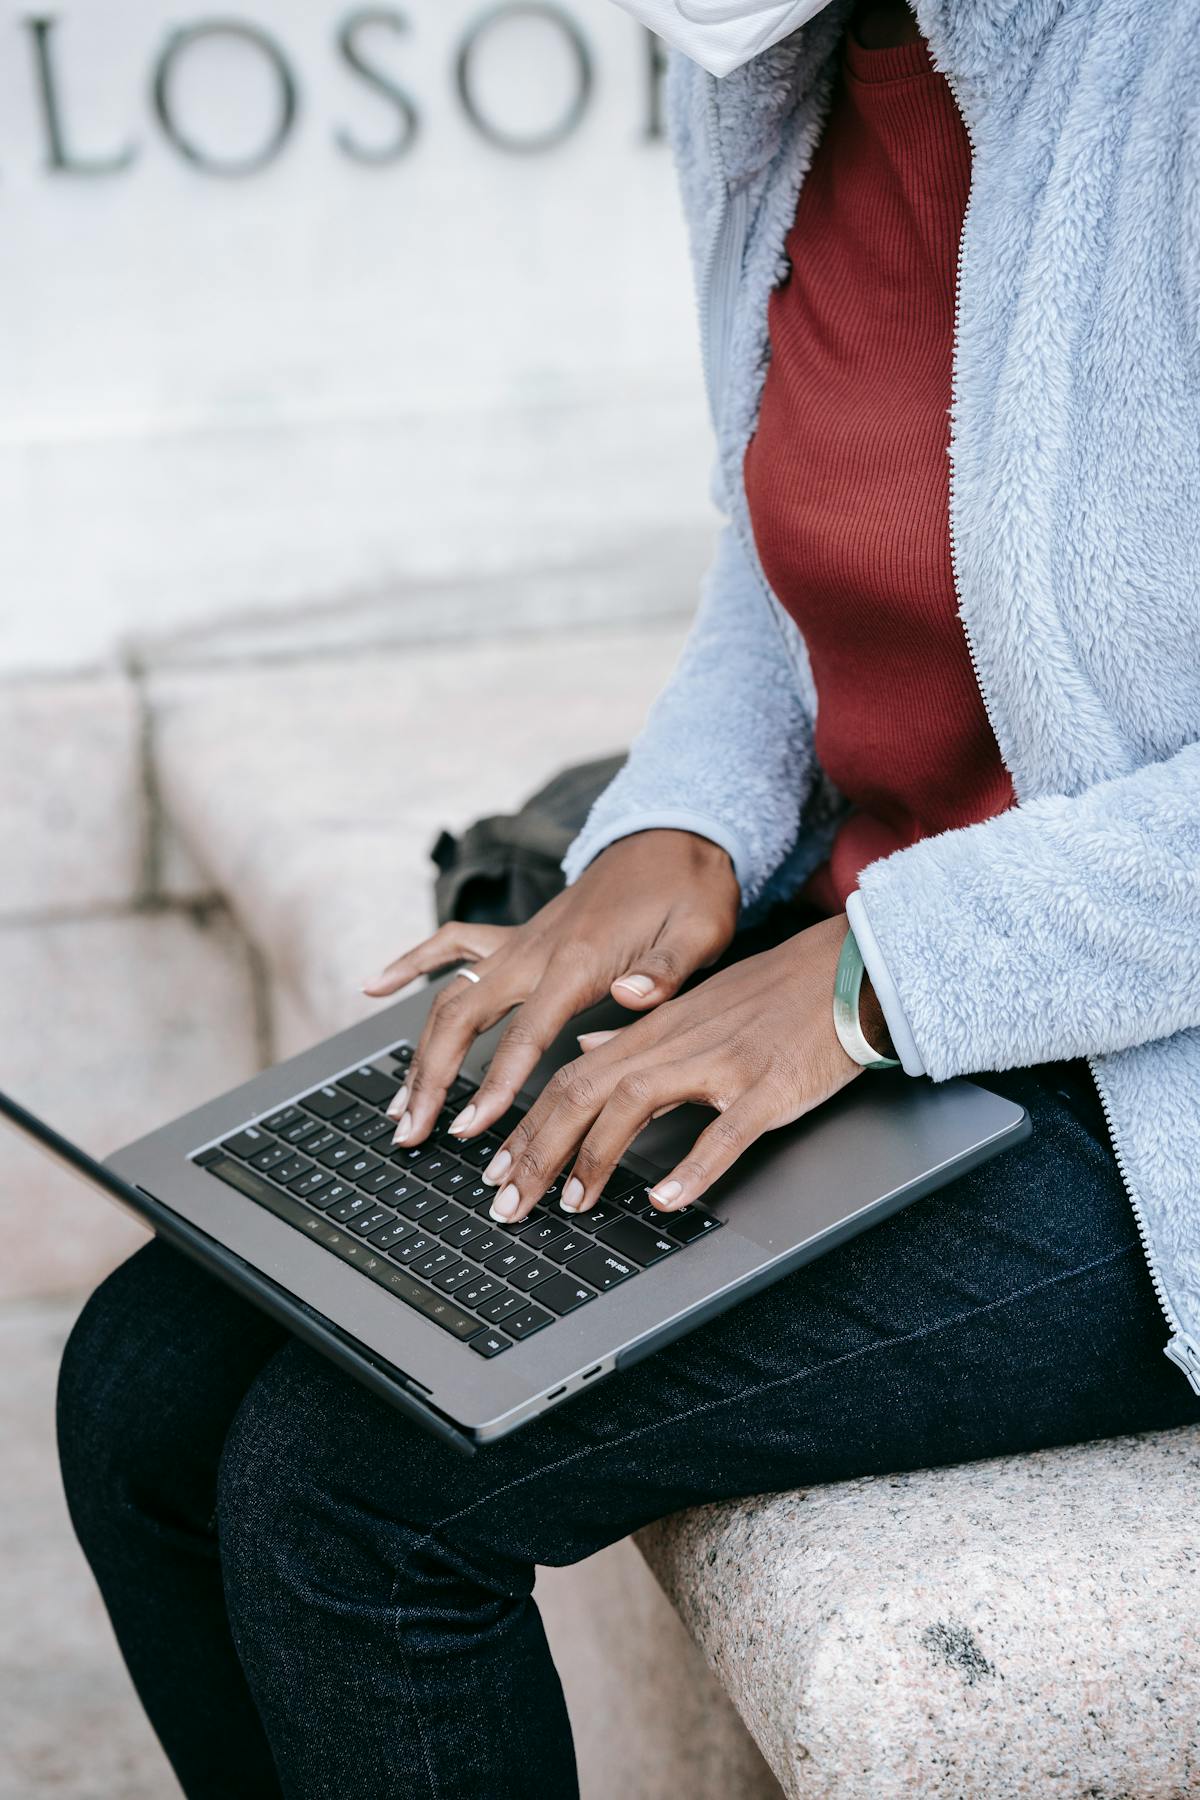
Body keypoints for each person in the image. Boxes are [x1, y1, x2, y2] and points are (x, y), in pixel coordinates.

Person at [57, 1, 1200, 1795]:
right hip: (857, 968)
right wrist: (669, 837)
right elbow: (788, 554)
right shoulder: (765, 68)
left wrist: (867, 977)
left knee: (347, 1497)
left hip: (1143, 1092)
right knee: (136, 1390)